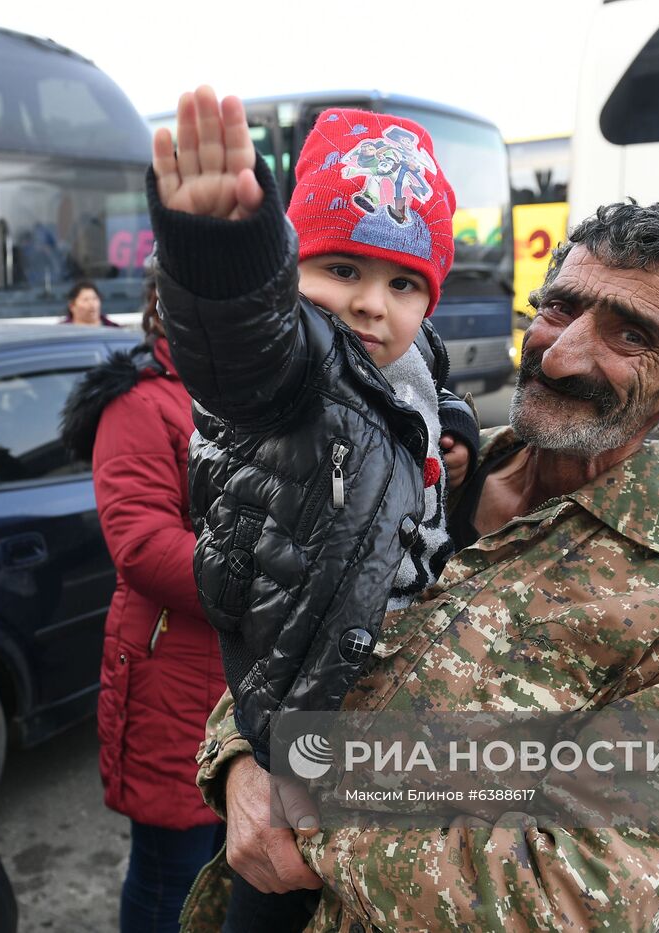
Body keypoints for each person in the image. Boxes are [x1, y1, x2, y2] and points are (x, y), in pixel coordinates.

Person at [180, 201, 659, 932]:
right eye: (561, 307)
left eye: (630, 334)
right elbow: (280, 634)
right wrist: (241, 760)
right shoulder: (413, 466)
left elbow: (572, 897)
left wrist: (300, 796)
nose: (562, 352)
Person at [148, 88, 479, 929]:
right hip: (301, 737)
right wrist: (223, 256)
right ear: (292, 271)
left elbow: (425, 384)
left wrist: (459, 433)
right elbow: (242, 348)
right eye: (341, 270)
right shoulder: (292, 374)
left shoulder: (407, 356)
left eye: (405, 282)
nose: (373, 302)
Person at [59, 269, 226, 933]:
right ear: (165, 306)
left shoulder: (257, 390)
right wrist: (269, 583)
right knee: (170, 876)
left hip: (247, 671)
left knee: (232, 867)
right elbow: (141, 543)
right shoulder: (138, 403)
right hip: (172, 673)